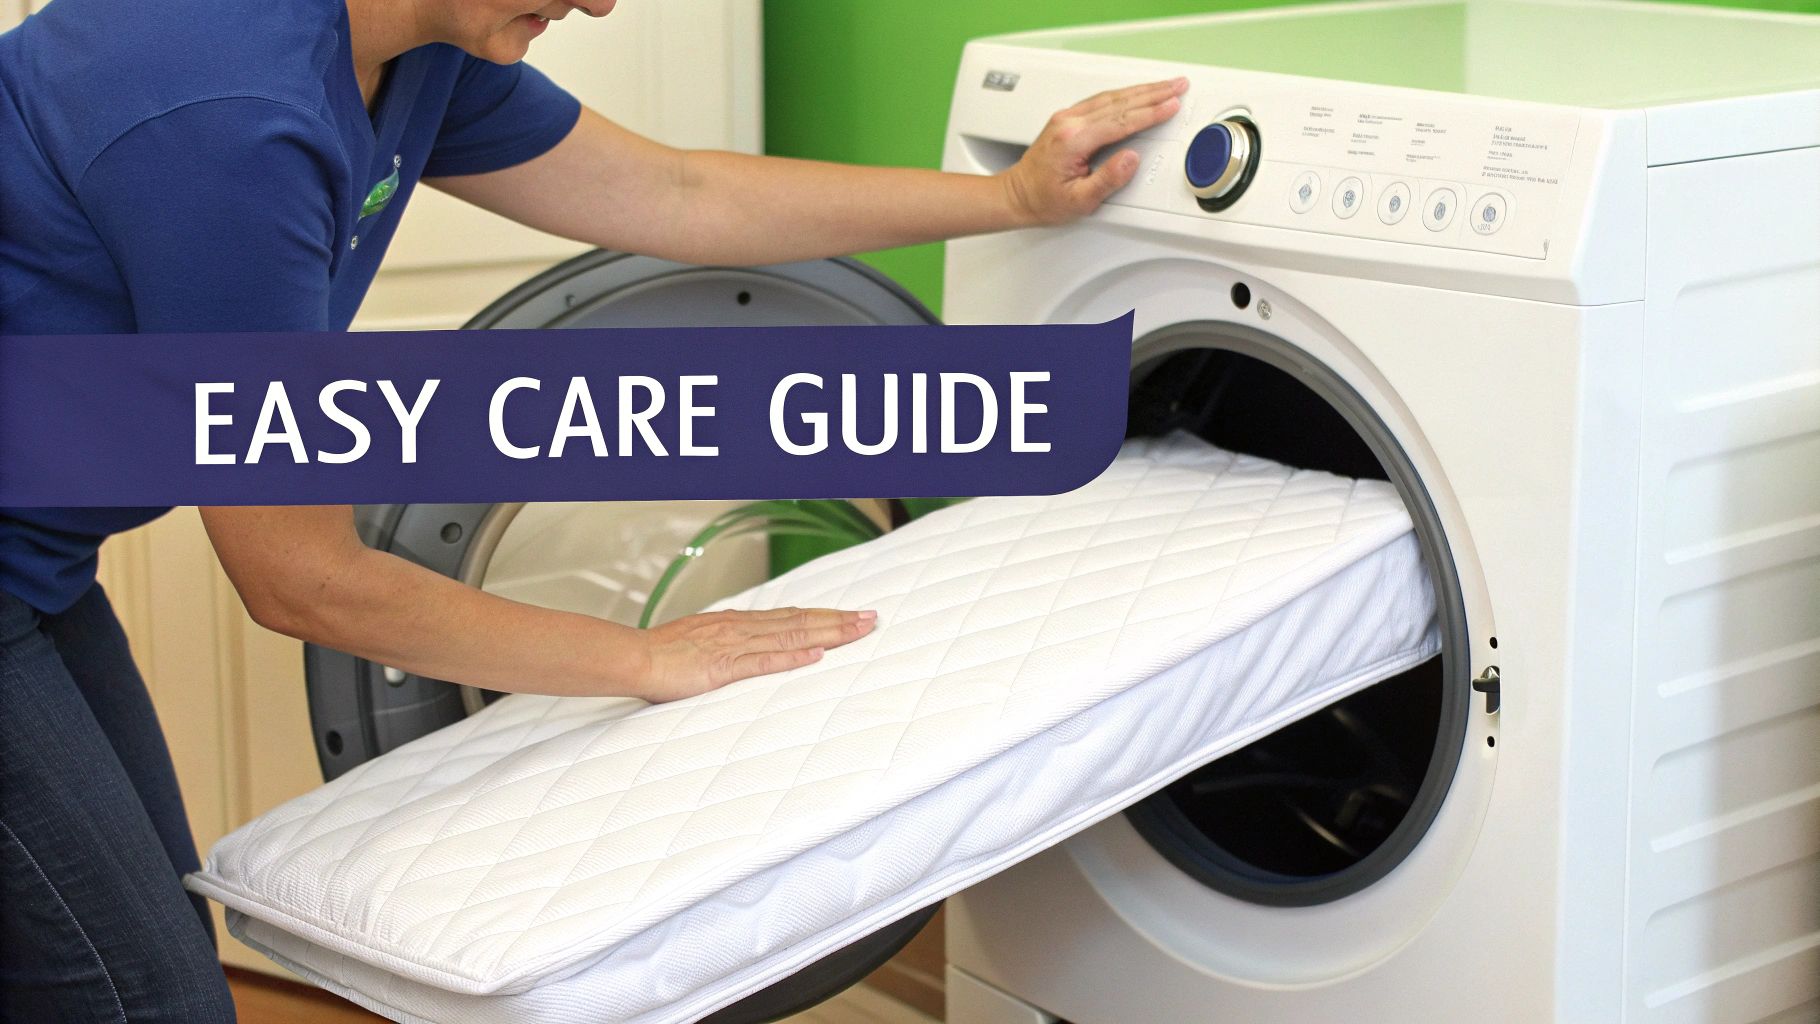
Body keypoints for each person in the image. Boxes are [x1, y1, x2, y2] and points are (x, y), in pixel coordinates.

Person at [0, 0, 1186, 1018]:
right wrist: (644, 659)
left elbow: (676, 191)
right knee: (133, 998)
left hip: (38, 557)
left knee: (126, 963)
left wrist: (1014, 198)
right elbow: (301, 577)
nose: (607, 5)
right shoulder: (227, 120)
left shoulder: (414, 56)